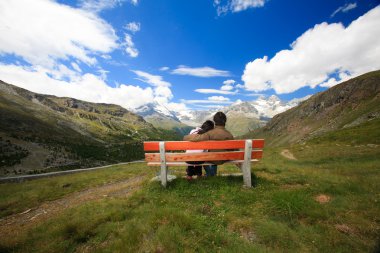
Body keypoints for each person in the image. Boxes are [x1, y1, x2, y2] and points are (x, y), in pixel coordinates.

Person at [183, 112, 234, 176]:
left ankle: (210, 174)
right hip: (224, 159)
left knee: (206, 154)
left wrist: (186, 137)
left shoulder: (210, 133)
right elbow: (233, 149)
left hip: (212, 158)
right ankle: (212, 174)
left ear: (215, 121)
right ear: (225, 121)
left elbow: (197, 138)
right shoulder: (229, 134)